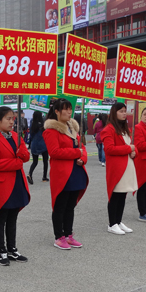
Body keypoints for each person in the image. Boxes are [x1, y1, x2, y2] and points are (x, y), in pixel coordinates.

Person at [0, 106, 30, 265]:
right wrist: (15, 163)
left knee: (13, 217)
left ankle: (12, 249)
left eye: (13, 118)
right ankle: (1, 250)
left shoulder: (16, 136)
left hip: (17, 182)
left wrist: (21, 153)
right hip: (2, 184)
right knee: (1, 218)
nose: (12, 122)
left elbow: (26, 157)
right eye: (8, 119)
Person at [43, 98, 88, 249]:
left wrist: (82, 158)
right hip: (62, 173)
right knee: (60, 206)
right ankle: (59, 236)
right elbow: (54, 152)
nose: (70, 112)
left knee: (70, 206)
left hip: (76, 171)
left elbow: (82, 148)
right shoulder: (51, 131)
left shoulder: (73, 128)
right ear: (56, 111)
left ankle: (68, 235)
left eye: (70, 109)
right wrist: (77, 153)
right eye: (66, 109)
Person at [101, 103, 137, 235]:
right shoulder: (108, 129)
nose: (124, 113)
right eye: (121, 111)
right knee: (115, 195)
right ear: (114, 112)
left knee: (123, 195)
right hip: (117, 167)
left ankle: (118, 220)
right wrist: (129, 149)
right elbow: (109, 149)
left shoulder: (125, 129)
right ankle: (112, 223)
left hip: (127, 165)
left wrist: (134, 152)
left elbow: (132, 145)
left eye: (125, 111)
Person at [28, 111, 49, 184]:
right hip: (43, 145)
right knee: (45, 161)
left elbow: (31, 135)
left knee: (35, 162)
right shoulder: (43, 125)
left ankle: (30, 174)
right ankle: (44, 177)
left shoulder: (32, 124)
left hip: (34, 144)